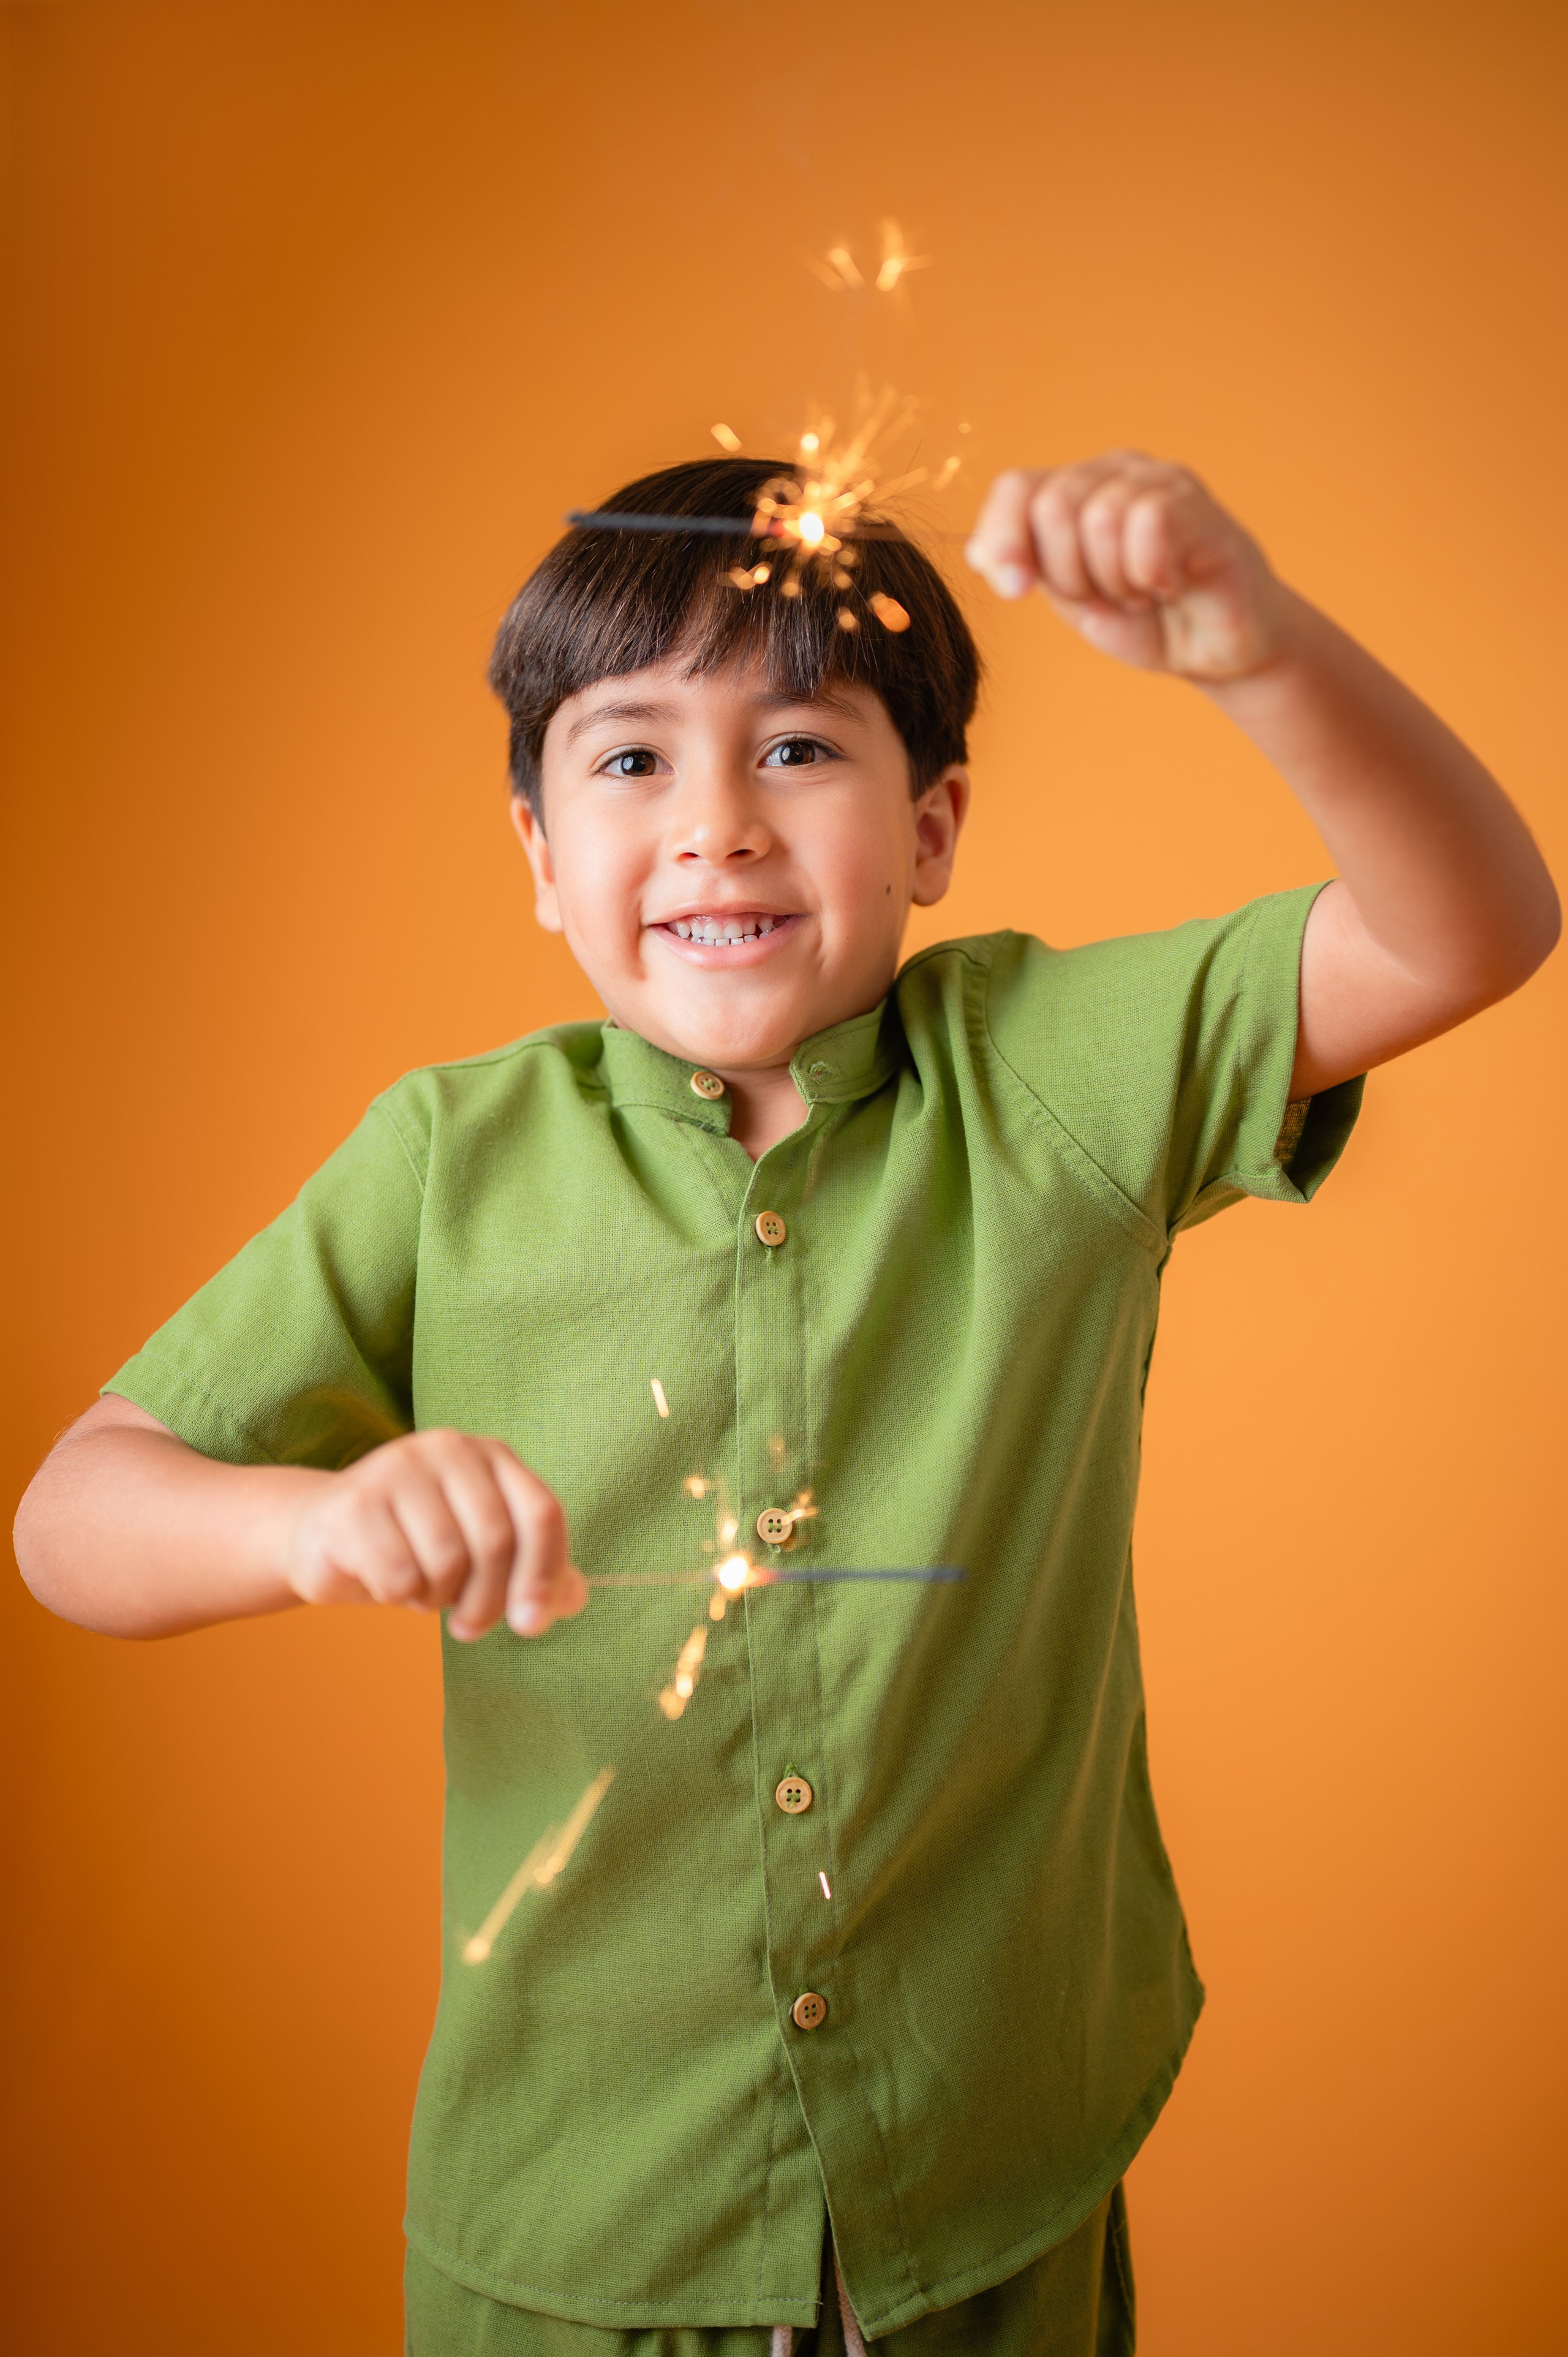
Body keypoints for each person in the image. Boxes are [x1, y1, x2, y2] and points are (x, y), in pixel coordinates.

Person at [15, 451, 1558, 2356]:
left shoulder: (1047, 1079)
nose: (718, 827)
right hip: (583, 2239)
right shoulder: (443, 1160)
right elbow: (71, 1521)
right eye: (635, 758)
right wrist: (305, 1519)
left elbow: (1468, 929)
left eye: (804, 750)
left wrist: (1261, 659)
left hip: (996, 2202)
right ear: (537, 850)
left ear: (934, 827)